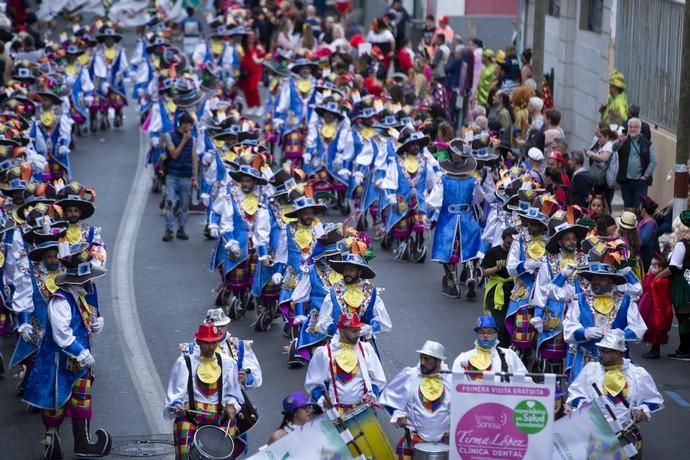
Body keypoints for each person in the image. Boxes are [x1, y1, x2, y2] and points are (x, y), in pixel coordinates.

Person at [22, 245, 111, 459]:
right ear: (76, 280)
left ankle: (83, 442)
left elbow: (84, 323)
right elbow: (62, 336)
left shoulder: (79, 297)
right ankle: (51, 439)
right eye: (86, 278)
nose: (90, 282)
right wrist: (82, 353)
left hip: (79, 365)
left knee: (82, 399)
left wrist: (95, 323)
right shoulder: (60, 301)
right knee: (56, 404)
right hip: (58, 363)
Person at [567, 329, 664, 458]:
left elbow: (654, 400)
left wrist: (642, 410)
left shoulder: (637, 374)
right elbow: (575, 393)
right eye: (600, 350)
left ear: (618, 354)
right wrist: (583, 404)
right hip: (595, 436)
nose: (600, 354)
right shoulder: (590, 370)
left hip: (626, 436)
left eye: (605, 352)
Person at [165, 323, 244, 459]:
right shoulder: (184, 363)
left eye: (214, 343)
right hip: (190, 418)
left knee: (225, 453)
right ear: (199, 342)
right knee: (185, 454)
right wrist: (177, 406)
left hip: (219, 418)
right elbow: (175, 395)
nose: (211, 347)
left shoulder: (228, 363)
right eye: (207, 343)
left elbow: (234, 393)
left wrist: (232, 404)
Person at [563, 261, 647, 381]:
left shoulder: (625, 301)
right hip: (585, 362)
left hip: (616, 364)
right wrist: (585, 332)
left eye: (601, 278)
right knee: (584, 396)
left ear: (611, 280)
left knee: (615, 397)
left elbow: (638, 328)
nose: (596, 281)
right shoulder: (579, 300)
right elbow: (569, 327)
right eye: (594, 278)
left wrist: (621, 335)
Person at [379, 341, 451, 458]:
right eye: (421, 358)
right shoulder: (410, 375)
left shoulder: (451, 380)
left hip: (443, 444)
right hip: (413, 440)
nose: (423, 362)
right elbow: (388, 398)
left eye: (427, 359)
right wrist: (398, 415)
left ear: (438, 360)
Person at [305, 312, 386, 413]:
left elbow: (378, 378)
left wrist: (372, 393)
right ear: (342, 331)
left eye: (359, 330)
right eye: (354, 331)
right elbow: (313, 384)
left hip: (364, 411)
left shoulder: (366, 349)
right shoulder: (324, 353)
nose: (358, 334)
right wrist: (322, 400)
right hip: (335, 414)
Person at [452, 315, 529, 381]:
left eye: (490, 332)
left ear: (496, 334)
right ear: (477, 334)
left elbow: (525, 380)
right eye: (482, 332)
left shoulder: (508, 355)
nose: (486, 335)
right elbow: (454, 384)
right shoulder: (464, 358)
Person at [162, 112, 198, 242]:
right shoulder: (169, 136)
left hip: (186, 176)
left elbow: (194, 157)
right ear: (182, 124)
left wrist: (196, 178)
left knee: (184, 205)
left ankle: (181, 229)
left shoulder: (193, 139)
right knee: (170, 203)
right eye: (188, 124)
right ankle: (169, 229)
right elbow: (174, 154)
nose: (190, 127)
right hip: (172, 175)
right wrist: (183, 140)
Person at [481, 227, 518, 348]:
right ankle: (500, 348)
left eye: (513, 244)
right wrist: (496, 268)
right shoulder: (493, 252)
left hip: (514, 290)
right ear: (503, 240)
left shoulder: (518, 253)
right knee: (500, 323)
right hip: (498, 289)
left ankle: (509, 348)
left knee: (513, 322)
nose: (510, 246)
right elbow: (485, 272)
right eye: (508, 243)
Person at [661, 211, 690, 360]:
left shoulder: (681, 245)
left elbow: (673, 267)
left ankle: (685, 348)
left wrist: (656, 277)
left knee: (683, 317)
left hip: (682, 285)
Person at [616, 117, 657, 209]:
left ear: (640, 129)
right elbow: (614, 149)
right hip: (625, 181)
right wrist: (619, 141)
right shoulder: (623, 141)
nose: (633, 129)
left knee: (639, 206)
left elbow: (653, 161)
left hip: (640, 182)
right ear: (627, 128)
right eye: (630, 127)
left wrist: (646, 176)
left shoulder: (647, 143)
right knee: (627, 205)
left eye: (635, 127)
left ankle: (638, 223)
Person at [638, 253, 673, 359]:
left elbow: (659, 297)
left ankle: (655, 350)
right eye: (651, 264)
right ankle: (654, 349)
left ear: (661, 268)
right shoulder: (655, 278)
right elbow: (644, 286)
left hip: (656, 310)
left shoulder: (660, 281)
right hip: (650, 308)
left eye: (654, 265)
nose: (651, 267)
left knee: (656, 329)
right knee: (651, 329)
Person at [587, 122, 617, 210]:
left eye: (600, 137)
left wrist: (592, 154)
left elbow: (604, 158)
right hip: (602, 180)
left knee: (605, 203)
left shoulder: (609, 145)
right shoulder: (604, 145)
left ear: (606, 137)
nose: (598, 139)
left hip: (607, 181)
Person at [240, 31, 266, 117]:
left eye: (253, 36)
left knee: (253, 88)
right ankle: (251, 106)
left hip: (256, 71)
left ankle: (259, 106)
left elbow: (264, 55)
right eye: (249, 36)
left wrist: (261, 51)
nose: (251, 38)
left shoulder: (257, 46)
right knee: (247, 88)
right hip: (245, 71)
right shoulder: (243, 46)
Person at [638, 196, 659, 271]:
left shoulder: (650, 224)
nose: (639, 209)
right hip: (641, 254)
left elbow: (644, 240)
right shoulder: (643, 220)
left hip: (646, 257)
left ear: (643, 210)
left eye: (640, 207)